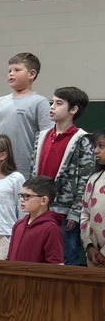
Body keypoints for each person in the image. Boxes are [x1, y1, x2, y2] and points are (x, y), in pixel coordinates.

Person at [30, 86, 94, 265]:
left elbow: (85, 180)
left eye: (58, 103)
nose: (52, 107)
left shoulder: (83, 139)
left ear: (73, 110)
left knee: (64, 258)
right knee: (37, 258)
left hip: (65, 214)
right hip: (40, 208)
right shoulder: (41, 136)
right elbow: (33, 173)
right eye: (52, 102)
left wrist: (75, 212)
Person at [0, 52, 52, 179]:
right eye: (9, 70)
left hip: (25, 170)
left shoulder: (40, 102)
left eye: (17, 70)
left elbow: (47, 138)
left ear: (32, 74)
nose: (11, 74)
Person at [7, 176, 64, 263]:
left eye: (27, 196)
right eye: (21, 196)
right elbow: (10, 258)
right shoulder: (18, 225)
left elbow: (55, 264)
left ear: (43, 200)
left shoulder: (51, 228)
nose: (22, 200)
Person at [79, 130, 105, 269]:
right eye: (95, 146)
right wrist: (88, 246)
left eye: (101, 146)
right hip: (94, 258)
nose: (95, 151)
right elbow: (84, 213)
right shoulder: (94, 178)